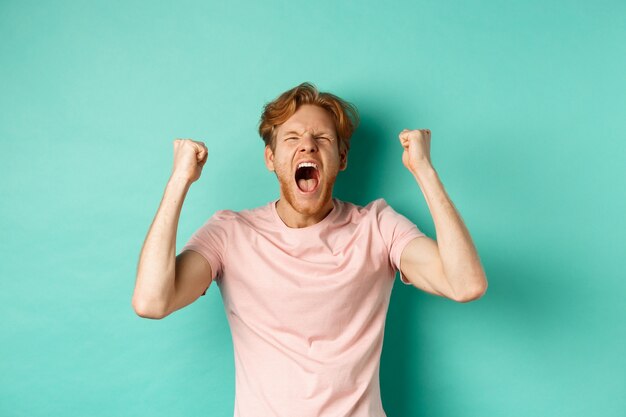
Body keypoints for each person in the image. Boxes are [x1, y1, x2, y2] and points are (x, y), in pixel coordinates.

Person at [132, 82, 488, 417]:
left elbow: (465, 284)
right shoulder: (230, 233)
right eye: (292, 138)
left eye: (321, 138)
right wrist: (179, 180)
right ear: (270, 158)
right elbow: (152, 301)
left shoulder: (378, 227)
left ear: (342, 158)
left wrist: (424, 171)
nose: (307, 146)